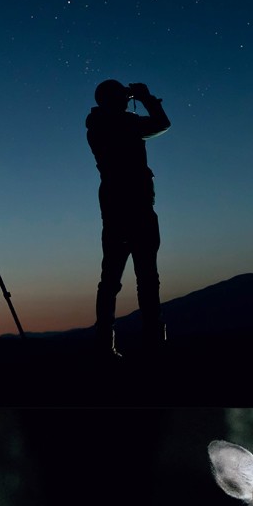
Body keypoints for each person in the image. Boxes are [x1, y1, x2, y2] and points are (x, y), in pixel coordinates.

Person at [86, 79, 171, 358]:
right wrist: (146, 97)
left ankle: (104, 344)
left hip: (115, 210)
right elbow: (162, 123)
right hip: (136, 209)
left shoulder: (98, 125)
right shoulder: (123, 124)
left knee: (111, 279)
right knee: (146, 278)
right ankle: (154, 343)